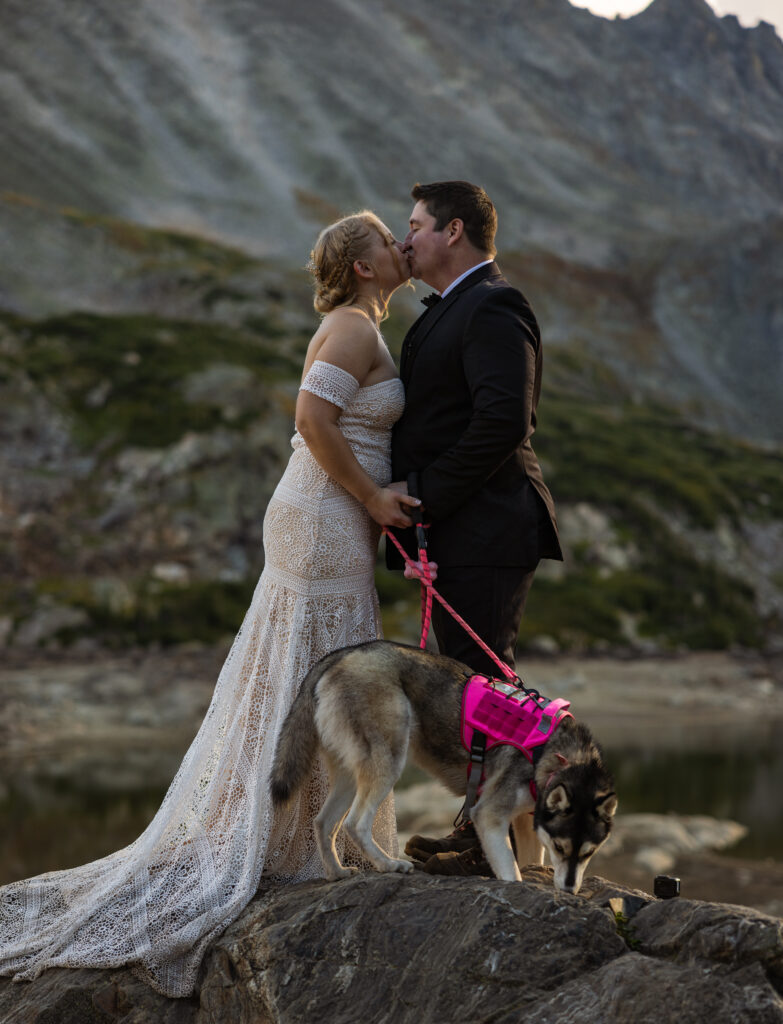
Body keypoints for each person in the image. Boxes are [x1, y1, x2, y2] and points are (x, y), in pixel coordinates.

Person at [0, 211, 419, 999]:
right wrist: (371, 495)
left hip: (329, 515)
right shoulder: (352, 330)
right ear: (362, 266)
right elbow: (310, 419)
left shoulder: (359, 322)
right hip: (324, 515)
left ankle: (295, 831)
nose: (401, 245)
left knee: (311, 667)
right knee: (323, 667)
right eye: (386, 240)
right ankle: (283, 840)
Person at [388, 180, 562, 874]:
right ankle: (487, 827)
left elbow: (503, 420)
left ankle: (493, 835)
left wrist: (421, 494)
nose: (406, 240)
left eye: (415, 225)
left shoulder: (494, 305)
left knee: (484, 687)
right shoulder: (445, 310)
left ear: (453, 231)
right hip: (462, 529)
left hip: (490, 526)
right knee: (471, 686)